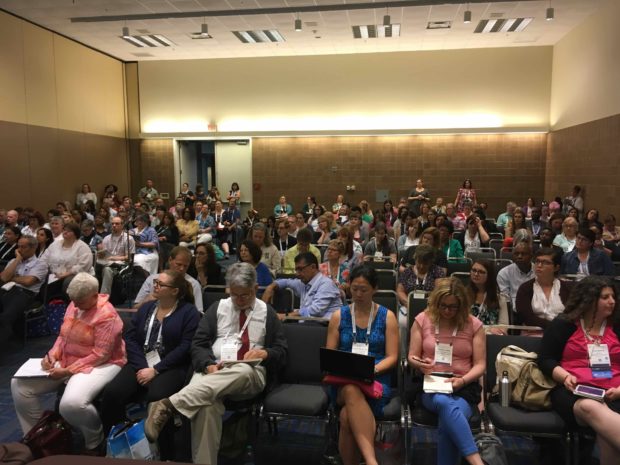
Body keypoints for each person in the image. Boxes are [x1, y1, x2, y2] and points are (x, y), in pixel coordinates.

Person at [143, 262, 287, 464]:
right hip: (211, 370)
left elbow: (281, 351)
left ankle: (170, 405)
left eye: (245, 295)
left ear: (255, 289)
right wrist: (208, 364)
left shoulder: (267, 312)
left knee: (243, 371)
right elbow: (198, 344)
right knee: (206, 406)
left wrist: (265, 353)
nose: (239, 300)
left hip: (249, 376)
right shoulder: (218, 308)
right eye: (235, 294)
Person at [11, 273, 125, 455]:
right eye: (73, 300)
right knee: (19, 385)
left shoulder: (107, 315)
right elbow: (63, 337)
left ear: (95, 296)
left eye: (80, 301)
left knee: (71, 404)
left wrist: (66, 371)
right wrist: (52, 355)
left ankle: (95, 440)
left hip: (104, 363)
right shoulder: (75, 303)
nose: (76, 305)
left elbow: (101, 354)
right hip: (70, 360)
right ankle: (38, 437)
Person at [100, 270, 201, 454]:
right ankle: (121, 444)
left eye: (161, 284)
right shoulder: (147, 308)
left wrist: (155, 370)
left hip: (171, 366)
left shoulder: (189, 312)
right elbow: (130, 338)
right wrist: (143, 367)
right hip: (141, 363)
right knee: (112, 394)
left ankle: (166, 453)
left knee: (157, 399)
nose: (155, 286)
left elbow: (185, 347)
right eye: (156, 282)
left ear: (175, 291)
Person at [538, 276, 620, 465]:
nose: (612, 301)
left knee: (607, 435)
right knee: (590, 407)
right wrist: (565, 376)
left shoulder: (616, 326)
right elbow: (545, 359)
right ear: (589, 300)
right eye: (605, 297)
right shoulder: (564, 324)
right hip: (574, 391)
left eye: (613, 296)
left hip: (614, 391)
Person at [408, 278, 486, 465]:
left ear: (462, 306)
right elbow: (411, 356)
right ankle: (477, 462)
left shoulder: (474, 325)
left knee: (447, 420)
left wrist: (463, 381)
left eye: (453, 307)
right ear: (436, 302)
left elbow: (480, 365)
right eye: (443, 306)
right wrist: (420, 364)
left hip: (463, 386)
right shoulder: (422, 319)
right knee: (443, 402)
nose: (447, 311)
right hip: (431, 385)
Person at [326, 265, 399, 465]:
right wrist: (349, 369)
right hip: (344, 379)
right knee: (350, 389)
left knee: (347, 417)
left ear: (375, 289)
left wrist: (371, 370)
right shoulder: (338, 316)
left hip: (374, 378)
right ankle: (371, 461)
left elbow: (392, 357)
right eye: (354, 288)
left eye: (364, 289)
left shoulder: (387, 317)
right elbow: (330, 355)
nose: (358, 294)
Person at [262, 252, 342, 320]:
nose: (297, 274)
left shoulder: (326, 284)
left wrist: (286, 316)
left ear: (313, 267)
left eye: (300, 269)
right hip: (309, 325)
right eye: (296, 270)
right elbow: (286, 282)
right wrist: (271, 287)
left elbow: (315, 311)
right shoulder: (304, 282)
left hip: (325, 327)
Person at [0, 235, 48, 342]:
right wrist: (17, 260)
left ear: (33, 248)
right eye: (18, 246)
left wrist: (12, 278)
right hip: (6, 290)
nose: (19, 250)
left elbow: (28, 282)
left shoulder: (40, 264)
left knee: (5, 317)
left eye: (23, 247)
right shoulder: (14, 260)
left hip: (25, 294)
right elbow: (3, 278)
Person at [514, 247, 572, 328]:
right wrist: (553, 326)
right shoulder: (525, 288)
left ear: (556, 268)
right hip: (533, 333)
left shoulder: (567, 288)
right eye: (537, 261)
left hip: (562, 333)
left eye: (546, 262)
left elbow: (571, 315)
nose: (539, 265)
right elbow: (526, 318)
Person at [134, 246, 203, 311]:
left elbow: (198, 312)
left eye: (185, 266)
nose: (182, 269)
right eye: (178, 264)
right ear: (170, 260)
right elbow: (135, 308)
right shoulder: (152, 279)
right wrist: (145, 301)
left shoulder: (194, 284)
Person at [41, 222, 94, 299]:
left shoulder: (82, 247)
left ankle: (62, 305)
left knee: (64, 283)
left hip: (73, 275)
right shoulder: (55, 244)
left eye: (68, 231)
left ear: (75, 233)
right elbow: (44, 258)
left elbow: (83, 266)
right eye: (64, 230)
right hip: (54, 274)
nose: (65, 232)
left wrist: (65, 274)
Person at [497, 241, 535, 308]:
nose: (519, 256)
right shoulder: (504, 273)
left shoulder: (539, 272)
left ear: (531, 256)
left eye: (523, 254)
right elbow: (505, 300)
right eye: (516, 254)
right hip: (514, 312)